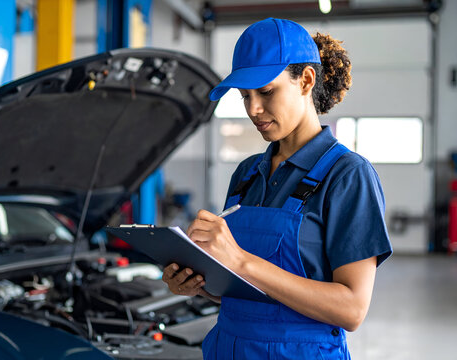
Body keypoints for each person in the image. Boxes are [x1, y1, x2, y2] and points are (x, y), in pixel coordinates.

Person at [162, 18, 393, 359]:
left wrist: (241, 262)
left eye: (266, 92)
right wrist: (199, 285)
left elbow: (352, 309)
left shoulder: (348, 176)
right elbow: (245, 292)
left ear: (306, 81)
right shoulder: (247, 174)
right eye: (245, 96)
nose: (254, 109)